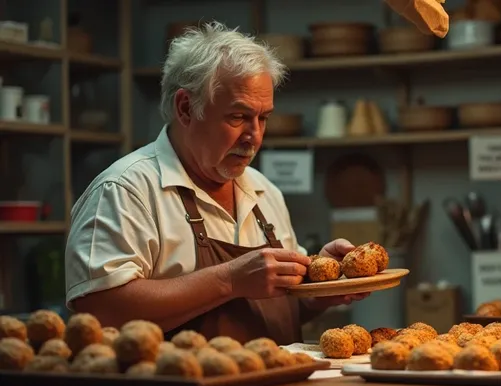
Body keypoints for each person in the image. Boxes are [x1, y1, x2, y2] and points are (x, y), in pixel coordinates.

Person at [64, 21, 369, 345]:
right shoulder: (127, 191)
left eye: (263, 118)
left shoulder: (264, 193)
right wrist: (229, 280)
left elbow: (279, 306)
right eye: (237, 117)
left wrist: (321, 289)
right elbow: (97, 310)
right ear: (185, 108)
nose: (254, 136)